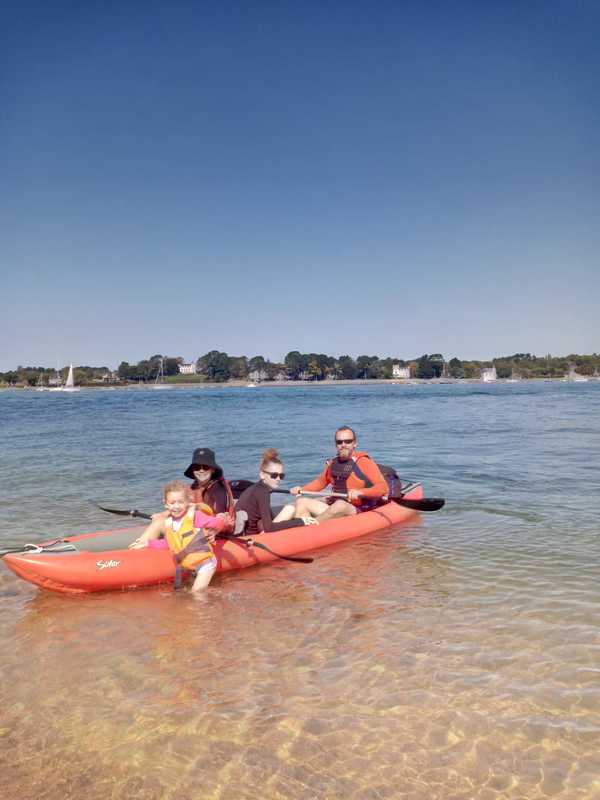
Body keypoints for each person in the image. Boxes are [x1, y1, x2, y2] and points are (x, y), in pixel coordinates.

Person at [129, 480, 223, 591]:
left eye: (180, 502)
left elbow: (218, 522)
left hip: (205, 564)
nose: (176, 506)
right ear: (166, 504)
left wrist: (214, 531)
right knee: (184, 592)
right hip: (190, 564)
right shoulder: (169, 523)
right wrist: (147, 543)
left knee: (197, 593)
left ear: (188, 502)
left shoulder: (195, 516)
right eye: (172, 503)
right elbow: (169, 543)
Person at [290, 426, 388, 521]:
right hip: (335, 505)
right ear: (336, 445)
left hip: (358, 509)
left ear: (355, 444)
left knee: (340, 504)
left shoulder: (364, 462)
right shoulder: (333, 463)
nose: (343, 445)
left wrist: (360, 492)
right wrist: (301, 489)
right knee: (301, 502)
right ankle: (304, 531)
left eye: (348, 441)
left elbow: (383, 487)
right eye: (339, 442)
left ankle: (312, 526)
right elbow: (320, 482)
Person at [235, 448, 318, 536]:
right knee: (290, 508)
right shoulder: (262, 492)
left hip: (248, 532)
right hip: (255, 537)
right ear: (262, 475)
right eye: (274, 475)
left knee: (290, 509)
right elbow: (269, 527)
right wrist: (301, 521)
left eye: (281, 476)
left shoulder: (258, 488)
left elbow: (268, 519)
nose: (278, 479)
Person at [183, 447, 236, 531]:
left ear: (213, 470)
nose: (201, 470)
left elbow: (221, 518)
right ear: (193, 470)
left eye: (205, 467)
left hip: (214, 533)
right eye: (197, 467)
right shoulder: (191, 488)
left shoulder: (218, 489)